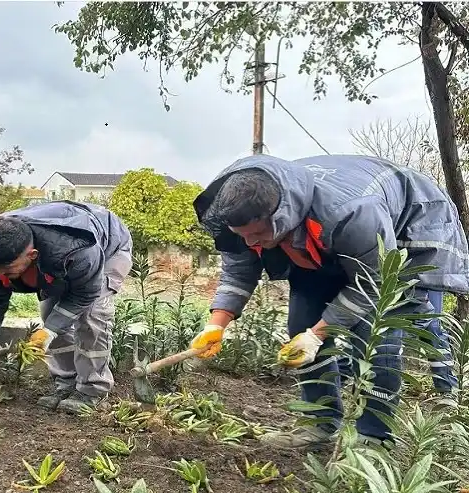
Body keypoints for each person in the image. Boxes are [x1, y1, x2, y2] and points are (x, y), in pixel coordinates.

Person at [189, 154, 468, 449]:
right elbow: (239, 271)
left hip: (404, 231)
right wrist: (215, 326)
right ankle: (319, 426)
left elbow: (374, 283)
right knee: (300, 324)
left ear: (281, 214)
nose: (250, 243)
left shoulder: (353, 212)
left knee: (378, 336)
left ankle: (375, 438)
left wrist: (318, 335)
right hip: (325, 244)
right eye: (242, 236)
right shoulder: (236, 216)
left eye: (258, 234)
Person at [0, 200, 133, 415]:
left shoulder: (76, 247)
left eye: (7, 269)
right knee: (50, 315)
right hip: (55, 259)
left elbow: (85, 293)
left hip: (108, 246)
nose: (0, 275)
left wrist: (51, 330)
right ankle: (66, 383)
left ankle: (93, 391)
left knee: (92, 317)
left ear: (32, 255)